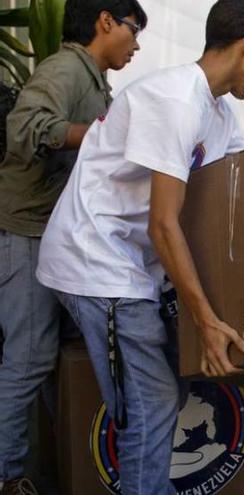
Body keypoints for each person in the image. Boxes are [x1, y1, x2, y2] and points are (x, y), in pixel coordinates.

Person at [35, 0, 244, 492]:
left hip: (131, 264)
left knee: (159, 395)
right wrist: (207, 321)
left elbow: (241, 195)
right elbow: (163, 226)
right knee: (150, 403)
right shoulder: (173, 101)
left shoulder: (216, 114)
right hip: (98, 261)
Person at [0, 1, 145, 492]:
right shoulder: (64, 69)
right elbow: (24, 128)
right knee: (28, 360)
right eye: (133, 30)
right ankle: (8, 475)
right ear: (106, 21)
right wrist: (102, 138)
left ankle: (59, 463)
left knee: (56, 360)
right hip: (29, 232)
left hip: (57, 235)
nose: (137, 43)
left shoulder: (95, 81)